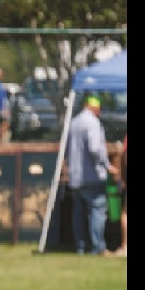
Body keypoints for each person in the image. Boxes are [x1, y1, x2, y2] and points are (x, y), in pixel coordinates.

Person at [63, 95, 117, 255]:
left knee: (78, 212)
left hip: (75, 176)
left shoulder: (74, 123)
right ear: (95, 108)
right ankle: (98, 247)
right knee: (97, 210)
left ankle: (81, 247)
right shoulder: (93, 123)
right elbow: (94, 148)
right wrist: (107, 166)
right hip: (91, 176)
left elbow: (67, 150)